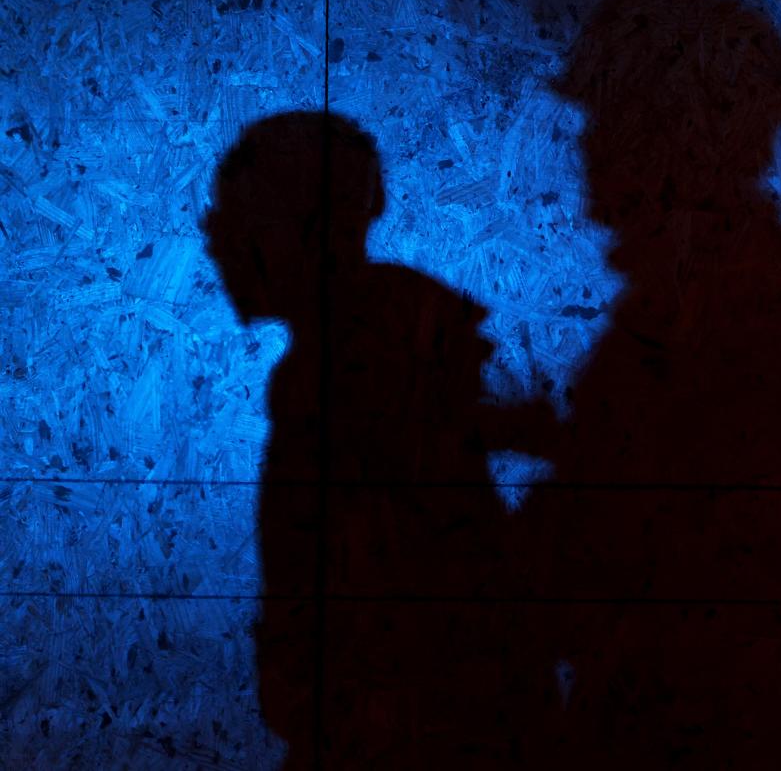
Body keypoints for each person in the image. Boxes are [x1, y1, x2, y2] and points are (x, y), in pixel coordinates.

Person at [501, 0, 781, 768]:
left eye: (605, 118)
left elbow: (661, 562)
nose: (585, 145)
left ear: (671, 138)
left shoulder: (721, 321)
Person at [204, 112, 553, 767]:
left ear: (303, 231)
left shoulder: (364, 367)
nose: (215, 242)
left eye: (238, 221)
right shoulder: (376, 349)